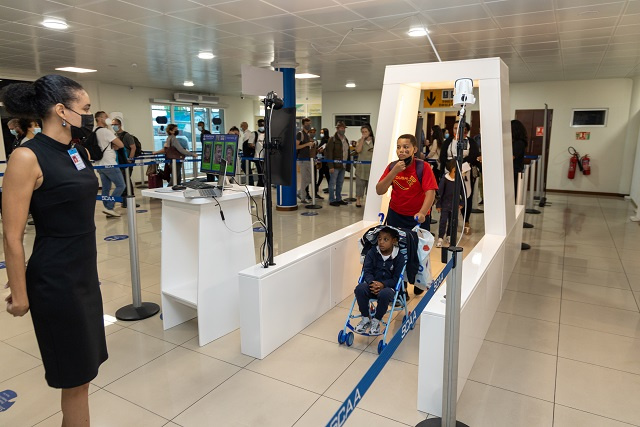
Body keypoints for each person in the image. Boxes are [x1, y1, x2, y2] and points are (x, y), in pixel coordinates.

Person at [0, 74, 108, 426]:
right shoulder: (26, 157)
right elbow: (12, 235)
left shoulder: (76, 151)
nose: (91, 116)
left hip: (84, 276)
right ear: (62, 110)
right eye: (86, 109)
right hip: (57, 282)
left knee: (84, 376)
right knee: (75, 379)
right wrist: (19, 292)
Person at [376, 134, 438, 295]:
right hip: (396, 214)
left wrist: (423, 212)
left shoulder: (422, 167)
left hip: (418, 217)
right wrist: (394, 171)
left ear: (414, 149)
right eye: (398, 147)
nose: (402, 150)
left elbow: (430, 193)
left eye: (406, 147)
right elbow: (379, 190)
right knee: (396, 251)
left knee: (419, 251)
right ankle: (400, 285)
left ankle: (420, 280)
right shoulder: (392, 167)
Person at [353, 227, 404, 335]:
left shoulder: (399, 257)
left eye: (385, 239)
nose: (381, 242)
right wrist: (372, 283)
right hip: (372, 285)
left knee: (385, 294)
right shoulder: (372, 252)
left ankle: (376, 320)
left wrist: (383, 284)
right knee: (360, 289)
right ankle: (365, 318)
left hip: (388, 288)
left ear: (394, 241)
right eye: (379, 239)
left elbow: (396, 279)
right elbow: (367, 271)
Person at [439, 121, 480, 235]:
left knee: (466, 196)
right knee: (449, 196)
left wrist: (460, 165)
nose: (456, 130)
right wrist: (451, 165)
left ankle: (466, 221)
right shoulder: (448, 142)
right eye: (454, 128)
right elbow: (443, 156)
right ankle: (449, 221)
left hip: (465, 172)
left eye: (459, 128)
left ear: (465, 130)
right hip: (449, 171)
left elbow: (473, 156)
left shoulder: (471, 142)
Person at [94, 111, 125, 217]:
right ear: (99, 119)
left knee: (106, 188)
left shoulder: (93, 131)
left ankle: (108, 209)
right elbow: (120, 145)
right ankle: (110, 207)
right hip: (109, 163)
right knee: (121, 185)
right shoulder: (106, 131)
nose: (108, 119)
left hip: (99, 164)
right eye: (105, 117)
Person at [111, 118, 139, 208]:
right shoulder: (114, 135)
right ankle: (125, 200)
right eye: (112, 125)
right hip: (119, 161)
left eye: (115, 124)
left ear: (120, 125)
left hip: (126, 161)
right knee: (122, 180)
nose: (113, 126)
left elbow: (133, 147)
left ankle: (131, 200)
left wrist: (130, 159)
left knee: (127, 179)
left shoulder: (127, 135)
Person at [436, 159, 462, 247]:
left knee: (453, 221)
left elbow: (463, 192)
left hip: (454, 204)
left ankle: (449, 235)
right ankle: (440, 237)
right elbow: (440, 193)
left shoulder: (459, 180)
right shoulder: (445, 179)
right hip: (445, 204)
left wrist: (461, 203)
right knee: (443, 221)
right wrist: (438, 204)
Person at [326, 121, 350, 206]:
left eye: (344, 128)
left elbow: (347, 152)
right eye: (341, 128)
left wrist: (348, 165)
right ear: (337, 129)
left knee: (340, 183)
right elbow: (329, 153)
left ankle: (339, 198)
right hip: (335, 166)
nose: (342, 130)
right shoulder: (332, 139)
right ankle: (332, 200)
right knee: (332, 183)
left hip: (342, 165)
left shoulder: (345, 139)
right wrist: (330, 166)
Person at [354, 124, 374, 208]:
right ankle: (358, 200)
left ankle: (369, 201)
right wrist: (362, 139)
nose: (364, 133)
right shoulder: (359, 141)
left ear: (370, 132)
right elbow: (358, 150)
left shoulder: (375, 140)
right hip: (361, 167)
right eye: (362, 132)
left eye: (366, 131)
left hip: (371, 167)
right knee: (359, 184)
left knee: (370, 185)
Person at [296, 117, 314, 203]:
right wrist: (307, 144)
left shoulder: (308, 134)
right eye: (307, 124)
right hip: (302, 159)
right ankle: (302, 197)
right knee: (304, 178)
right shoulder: (300, 134)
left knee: (311, 178)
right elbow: (296, 146)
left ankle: (299, 192)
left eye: (309, 124)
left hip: (308, 158)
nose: (309, 126)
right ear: (303, 124)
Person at [511, 120, 528, 199]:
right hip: (513, 170)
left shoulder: (519, 143)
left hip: (515, 171)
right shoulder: (516, 142)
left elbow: (512, 157)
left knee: (513, 194)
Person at [315, 127, 331, 198]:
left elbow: (321, 148)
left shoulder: (326, 140)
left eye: (322, 132)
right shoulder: (325, 139)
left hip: (324, 160)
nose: (321, 134)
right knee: (325, 175)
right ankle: (328, 188)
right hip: (323, 159)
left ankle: (317, 188)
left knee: (324, 175)